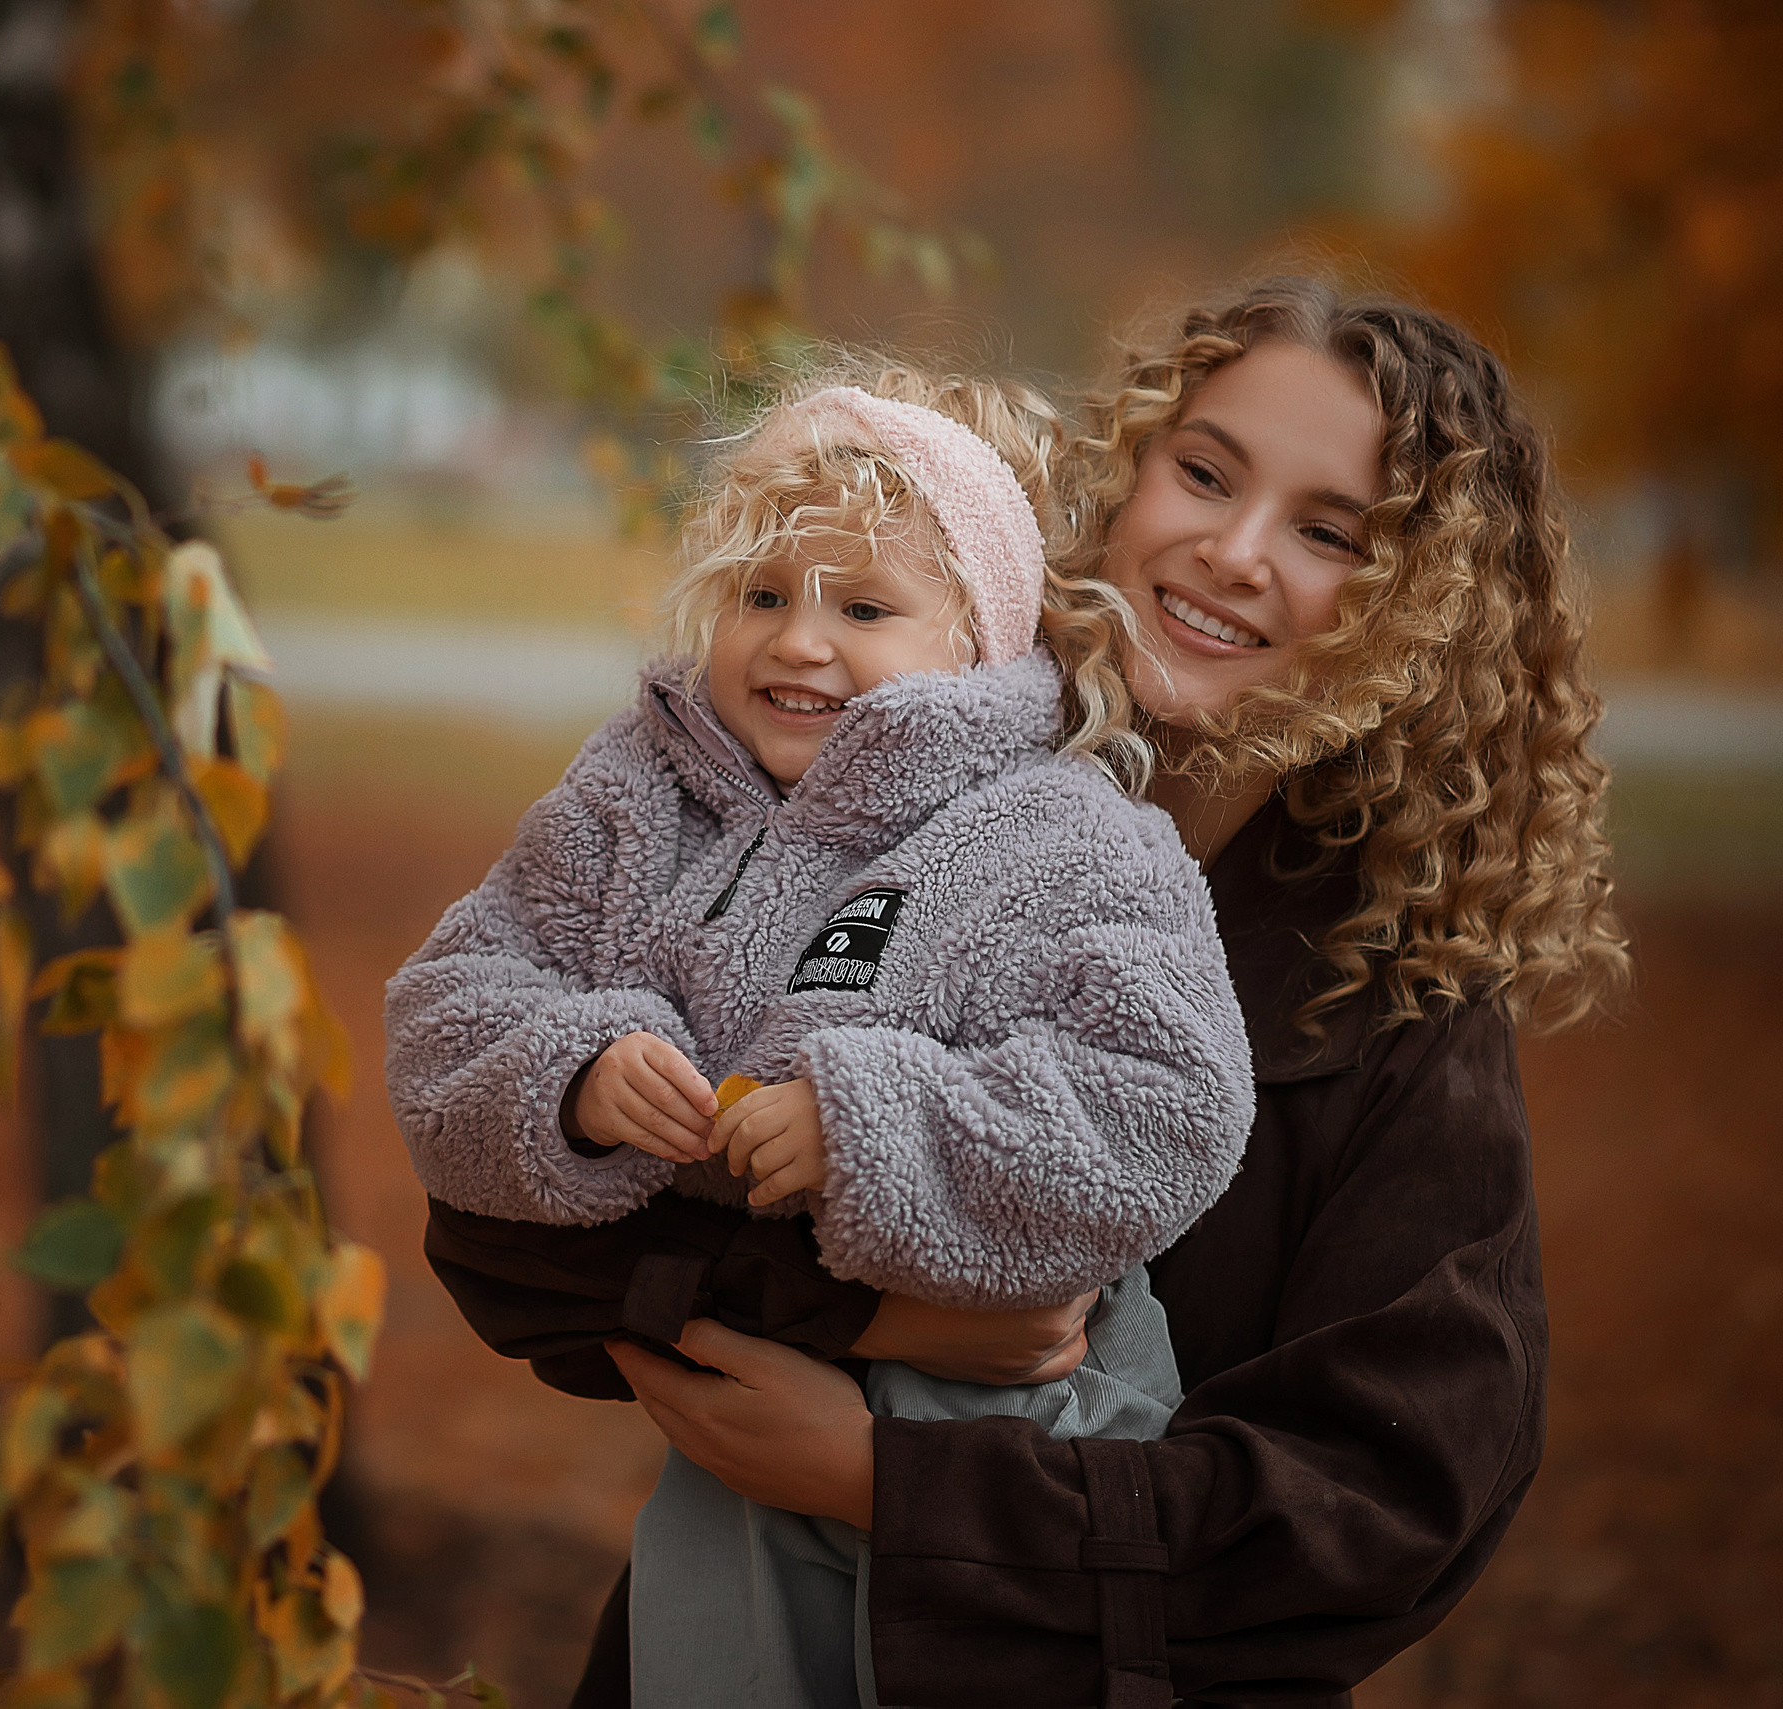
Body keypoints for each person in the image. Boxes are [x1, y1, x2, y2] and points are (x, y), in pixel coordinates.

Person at [420, 276, 1628, 1707]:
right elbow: (502, 1225)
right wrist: (869, 1327)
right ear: (1121, 476)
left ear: (1417, 611)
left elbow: (1384, 1512)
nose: (1233, 551)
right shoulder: (841, 778)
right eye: (1204, 472)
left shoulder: (1399, 1003)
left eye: (1327, 531)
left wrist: (895, 1479)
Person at [382, 369, 1257, 1708]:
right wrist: (577, 1073)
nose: (799, 642)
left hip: (1014, 1442)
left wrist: (873, 1124)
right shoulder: (636, 799)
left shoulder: (1064, 840)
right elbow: (452, 998)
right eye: (762, 595)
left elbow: (1168, 1104)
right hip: (735, 1433)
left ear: (979, 635)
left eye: (863, 607)